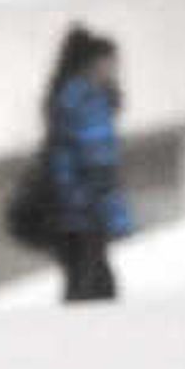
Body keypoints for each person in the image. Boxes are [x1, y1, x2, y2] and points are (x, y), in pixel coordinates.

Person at [38, 24, 131, 303]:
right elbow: (76, 155)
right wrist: (81, 196)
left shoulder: (92, 99)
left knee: (91, 279)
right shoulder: (80, 100)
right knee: (90, 282)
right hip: (80, 206)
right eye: (109, 62)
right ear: (92, 63)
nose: (114, 69)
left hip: (89, 203)